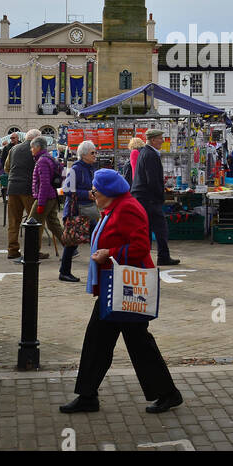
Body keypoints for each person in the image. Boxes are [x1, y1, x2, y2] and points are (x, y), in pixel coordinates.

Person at [59, 168, 183, 415]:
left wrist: (109, 253)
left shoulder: (127, 208)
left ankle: (167, 393)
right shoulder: (116, 207)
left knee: (135, 342)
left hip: (126, 286)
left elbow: (140, 246)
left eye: (95, 191)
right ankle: (88, 395)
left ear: (108, 192)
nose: (92, 195)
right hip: (115, 286)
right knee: (99, 340)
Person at [131, 128, 179, 265]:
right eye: (160, 138)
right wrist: (159, 196)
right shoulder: (151, 155)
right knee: (160, 228)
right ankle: (162, 257)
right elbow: (152, 179)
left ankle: (144, 257)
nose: (162, 141)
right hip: (149, 198)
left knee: (147, 228)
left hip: (143, 197)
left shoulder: (145, 152)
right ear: (153, 140)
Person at [58, 140, 100, 283]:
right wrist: (86, 194)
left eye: (95, 152)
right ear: (84, 155)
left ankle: (65, 271)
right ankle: (64, 272)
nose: (95, 155)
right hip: (76, 210)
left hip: (87, 209)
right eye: (92, 152)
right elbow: (68, 190)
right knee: (73, 242)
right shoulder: (76, 169)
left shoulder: (90, 168)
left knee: (88, 239)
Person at [7, 129, 43, 261]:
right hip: (29, 189)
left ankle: (12, 250)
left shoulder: (14, 149)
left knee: (13, 221)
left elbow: (7, 167)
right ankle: (34, 251)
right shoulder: (36, 149)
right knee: (35, 221)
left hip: (13, 188)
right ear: (36, 139)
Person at [29, 137, 66, 255]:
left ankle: (32, 253)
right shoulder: (50, 158)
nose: (31, 150)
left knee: (32, 223)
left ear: (38, 147)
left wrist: (40, 203)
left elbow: (44, 184)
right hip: (53, 195)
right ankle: (71, 248)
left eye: (32, 147)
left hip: (46, 197)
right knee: (53, 224)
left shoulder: (42, 161)